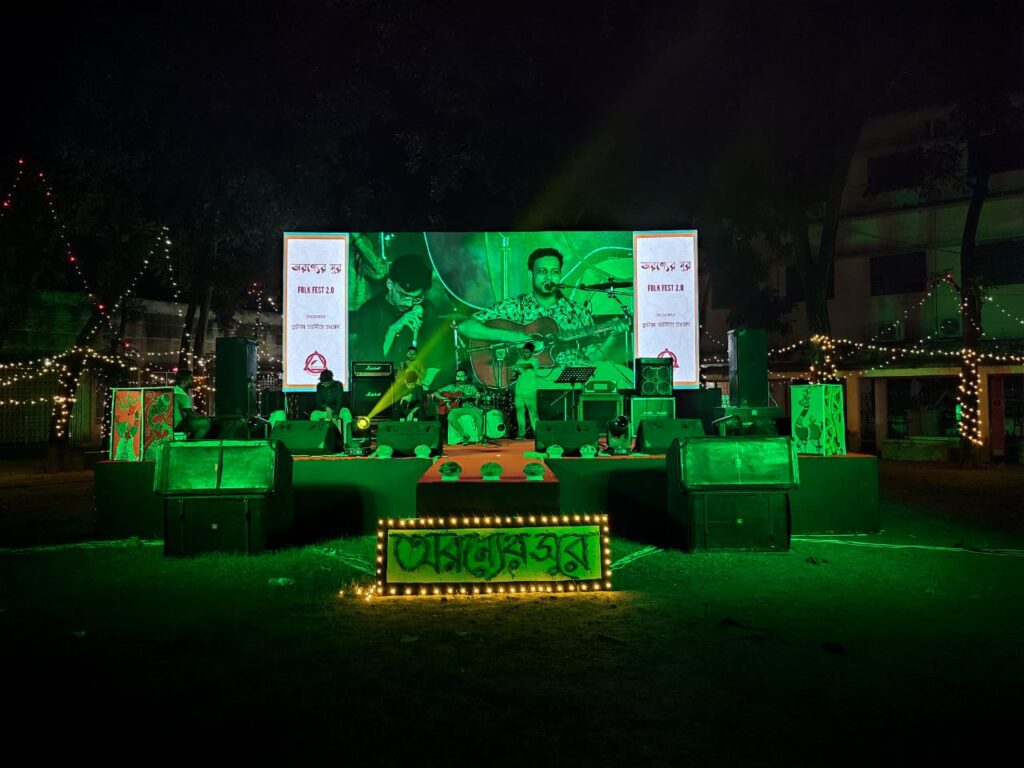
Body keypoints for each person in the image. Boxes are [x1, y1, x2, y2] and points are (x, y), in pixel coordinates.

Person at [456, 247, 623, 370]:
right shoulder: (515, 307)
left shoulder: (577, 312)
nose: (549, 277)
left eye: (554, 272)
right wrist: (511, 336)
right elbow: (465, 327)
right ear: (531, 275)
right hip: (529, 383)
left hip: (569, 384)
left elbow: (593, 360)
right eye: (542, 271)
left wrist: (612, 337)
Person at [349, 252, 439, 365]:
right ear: (390, 284)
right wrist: (392, 330)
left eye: (416, 298)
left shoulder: (427, 308)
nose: (409, 304)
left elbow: (436, 358)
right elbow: (372, 365)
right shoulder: (369, 312)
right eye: (404, 296)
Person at [432, 369, 483, 445]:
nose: (459, 378)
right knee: (451, 416)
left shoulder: (471, 387)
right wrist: (444, 399)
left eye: (461, 376)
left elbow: (478, 398)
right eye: (458, 376)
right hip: (457, 409)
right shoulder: (451, 387)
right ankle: (464, 436)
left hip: (469, 408)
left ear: (465, 377)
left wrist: (477, 398)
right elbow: (435, 393)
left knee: (478, 415)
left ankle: (479, 437)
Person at [310, 369, 351, 440]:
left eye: (326, 383)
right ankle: (316, 440)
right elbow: (318, 402)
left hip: (337, 409)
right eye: (323, 383)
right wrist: (326, 407)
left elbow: (339, 401)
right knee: (314, 414)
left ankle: (345, 440)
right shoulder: (319, 386)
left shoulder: (338, 385)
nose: (324, 385)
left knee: (346, 413)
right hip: (325, 411)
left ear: (331, 381)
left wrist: (335, 416)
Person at [510, 341, 540, 438]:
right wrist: (514, 373)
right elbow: (515, 375)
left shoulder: (534, 361)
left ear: (531, 352)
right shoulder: (519, 361)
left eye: (527, 352)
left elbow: (529, 366)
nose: (524, 353)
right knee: (519, 412)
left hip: (531, 390)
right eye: (523, 352)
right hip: (519, 390)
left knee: (533, 412)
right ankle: (521, 433)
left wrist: (517, 366)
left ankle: (538, 433)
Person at [172, 369, 211, 440]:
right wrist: (205, 417)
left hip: (172, 423)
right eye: (191, 379)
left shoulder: (174, 391)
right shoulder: (181, 394)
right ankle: (194, 443)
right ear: (184, 381)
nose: (193, 381)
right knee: (205, 423)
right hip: (178, 424)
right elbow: (190, 414)